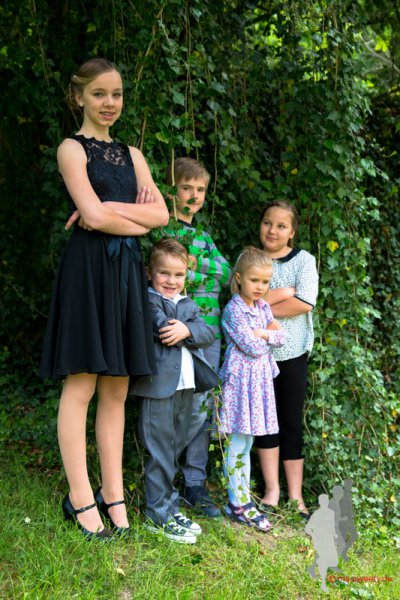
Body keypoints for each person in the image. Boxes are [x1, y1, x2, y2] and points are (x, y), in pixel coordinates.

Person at [39, 58, 169, 539]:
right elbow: (90, 219)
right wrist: (123, 216)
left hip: (126, 273)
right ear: (79, 97)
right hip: (88, 272)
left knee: (116, 385)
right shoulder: (71, 149)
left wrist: (108, 208)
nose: (109, 102)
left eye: (116, 93)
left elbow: (161, 216)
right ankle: (80, 498)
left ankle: (114, 496)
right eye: (99, 94)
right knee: (83, 383)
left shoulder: (133, 155)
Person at [131, 238, 218, 543]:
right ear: (149, 272)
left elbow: (208, 332)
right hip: (158, 388)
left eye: (178, 275)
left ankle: (169, 507)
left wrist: (189, 329)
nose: (171, 281)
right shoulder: (149, 300)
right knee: (159, 452)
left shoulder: (188, 304)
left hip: (185, 387)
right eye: (164, 273)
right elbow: (163, 328)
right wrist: (186, 329)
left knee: (173, 450)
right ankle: (157, 515)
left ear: (186, 277)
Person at [163, 157, 232, 517]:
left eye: (200, 189)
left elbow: (228, 273)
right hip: (176, 331)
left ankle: (195, 483)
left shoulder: (203, 237)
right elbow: (167, 275)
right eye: (186, 187)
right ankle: (163, 478)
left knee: (203, 409)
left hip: (210, 333)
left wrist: (196, 265)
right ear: (171, 190)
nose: (193, 195)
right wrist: (193, 271)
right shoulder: (163, 230)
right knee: (174, 406)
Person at [254, 201, 318, 519]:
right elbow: (242, 300)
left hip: (292, 355)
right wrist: (282, 294)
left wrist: (261, 305)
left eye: (281, 226)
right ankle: (271, 492)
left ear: (292, 232)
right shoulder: (251, 259)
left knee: (290, 422)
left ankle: (296, 496)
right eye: (268, 223)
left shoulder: (304, 260)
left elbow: (305, 302)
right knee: (264, 422)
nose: (273, 230)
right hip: (256, 356)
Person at [217, 246, 286, 532]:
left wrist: (263, 333)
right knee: (236, 443)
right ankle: (237, 503)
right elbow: (253, 346)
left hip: (258, 384)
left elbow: (281, 337)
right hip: (240, 383)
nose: (260, 287)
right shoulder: (234, 309)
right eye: (254, 280)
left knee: (247, 443)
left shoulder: (262, 307)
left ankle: (243, 500)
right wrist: (266, 335)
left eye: (265, 282)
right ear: (239, 278)